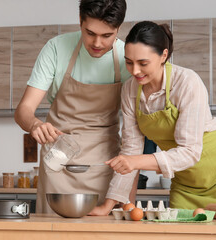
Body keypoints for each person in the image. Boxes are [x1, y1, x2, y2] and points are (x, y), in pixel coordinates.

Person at [92, 21, 216, 214]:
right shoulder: (130, 90)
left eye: (143, 63)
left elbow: (190, 152)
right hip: (186, 184)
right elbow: (130, 150)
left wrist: (136, 161)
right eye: (129, 62)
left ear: (163, 56)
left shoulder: (186, 82)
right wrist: (108, 205)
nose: (134, 71)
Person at [15, 0, 133, 213]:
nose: (97, 43)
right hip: (57, 164)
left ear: (118, 28)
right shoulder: (56, 48)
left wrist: (126, 194)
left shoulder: (128, 59)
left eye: (107, 36)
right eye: (90, 33)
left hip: (105, 165)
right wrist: (34, 124)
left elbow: (134, 131)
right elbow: (23, 110)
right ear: (80, 22)